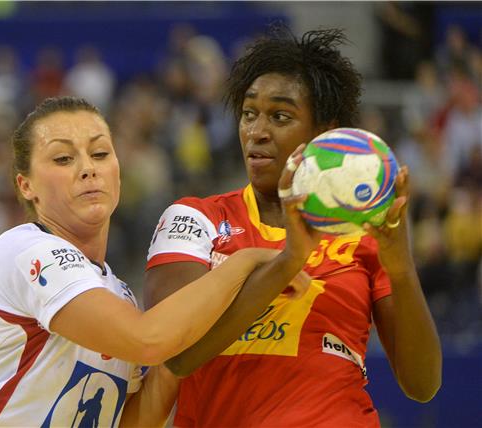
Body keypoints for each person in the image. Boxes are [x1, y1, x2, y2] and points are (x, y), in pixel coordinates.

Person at [0, 96, 290, 427]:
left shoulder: (120, 298)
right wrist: (244, 263)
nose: (88, 168)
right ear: (25, 185)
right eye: (63, 158)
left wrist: (191, 338)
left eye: (99, 154)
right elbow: (148, 340)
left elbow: (133, 417)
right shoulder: (23, 249)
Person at [145, 27, 442, 427]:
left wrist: (401, 266)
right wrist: (288, 261)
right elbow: (177, 353)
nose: (257, 131)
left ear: (325, 133)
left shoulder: (363, 237)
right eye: (250, 114)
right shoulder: (196, 218)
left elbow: (422, 385)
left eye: (280, 116)